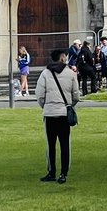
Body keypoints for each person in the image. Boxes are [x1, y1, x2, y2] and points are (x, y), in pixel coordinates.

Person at [35, 47, 80, 185]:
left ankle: (51, 172)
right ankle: (63, 173)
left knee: (51, 145)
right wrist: (68, 105)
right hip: (63, 113)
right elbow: (76, 95)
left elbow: (39, 94)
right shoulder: (71, 74)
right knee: (65, 144)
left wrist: (46, 105)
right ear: (62, 58)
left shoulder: (45, 74)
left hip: (50, 113)